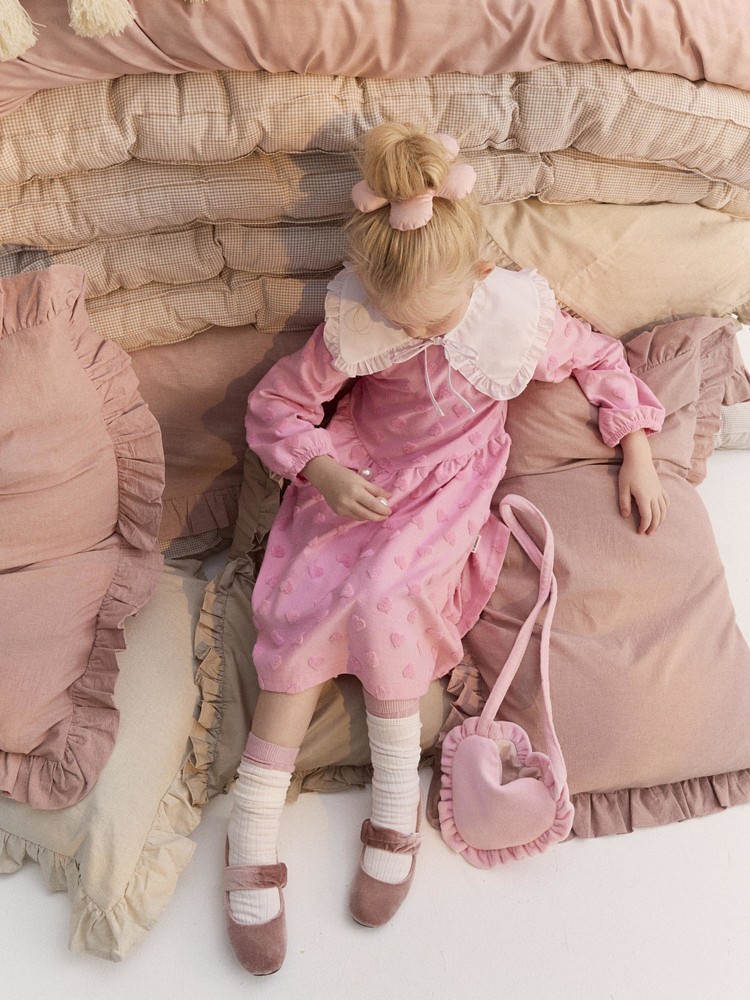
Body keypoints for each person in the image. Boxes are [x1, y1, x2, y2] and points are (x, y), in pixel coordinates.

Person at [223, 123, 668, 975]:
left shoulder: (515, 317)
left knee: (389, 600)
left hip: (443, 495)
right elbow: (278, 407)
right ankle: (251, 828)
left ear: (478, 275)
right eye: (399, 319)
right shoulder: (358, 319)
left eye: (431, 318)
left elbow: (600, 359)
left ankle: (394, 810)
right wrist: (322, 471)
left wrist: (637, 446)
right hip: (360, 476)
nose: (415, 333)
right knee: (302, 614)